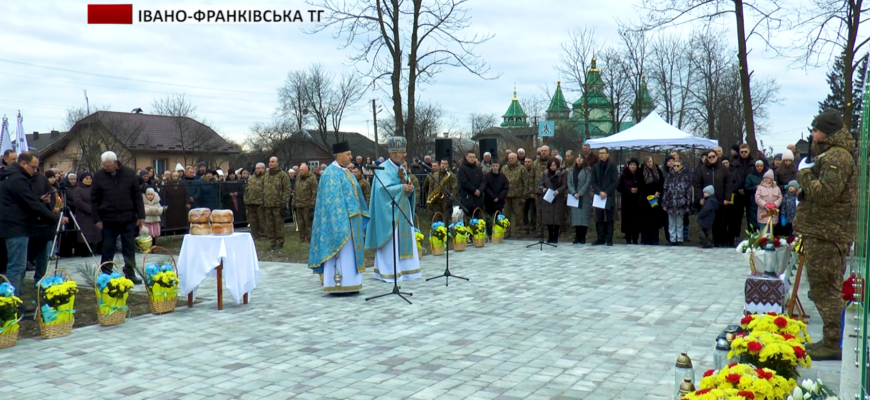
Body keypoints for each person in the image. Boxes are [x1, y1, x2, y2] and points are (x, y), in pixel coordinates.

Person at [794, 109, 856, 360]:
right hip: (823, 231)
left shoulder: (837, 157)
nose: (812, 133)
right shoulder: (830, 153)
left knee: (826, 289)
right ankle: (831, 339)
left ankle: (833, 343)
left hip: (828, 234)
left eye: (815, 129)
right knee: (822, 287)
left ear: (826, 131)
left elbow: (827, 193)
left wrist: (805, 175)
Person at [308, 141, 370, 293]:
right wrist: (342, 220)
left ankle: (351, 282)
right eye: (348, 154)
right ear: (339, 155)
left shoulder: (346, 172)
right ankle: (338, 284)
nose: (351, 157)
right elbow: (332, 203)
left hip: (351, 220)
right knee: (341, 254)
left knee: (349, 255)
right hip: (340, 222)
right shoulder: (330, 173)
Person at [0, 152, 61, 297]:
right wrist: (52, 217)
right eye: (33, 167)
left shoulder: (9, 176)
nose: (35, 171)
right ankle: (12, 303)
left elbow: (23, 200)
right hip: (16, 227)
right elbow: (30, 203)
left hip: (11, 226)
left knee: (16, 266)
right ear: (23, 164)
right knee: (17, 267)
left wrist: (39, 200)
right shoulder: (17, 179)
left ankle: (13, 300)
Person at [365, 136, 421, 283]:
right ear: (392, 154)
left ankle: (407, 270)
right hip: (389, 213)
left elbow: (406, 185)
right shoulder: (382, 168)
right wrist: (402, 188)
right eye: (401, 153)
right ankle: (390, 271)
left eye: (404, 152)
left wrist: (410, 189)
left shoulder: (402, 168)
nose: (404, 155)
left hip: (403, 210)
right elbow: (381, 191)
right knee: (391, 242)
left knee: (405, 239)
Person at [91, 151, 145, 283]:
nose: (105, 168)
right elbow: (94, 199)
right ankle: (106, 274)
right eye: (104, 165)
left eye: (108, 165)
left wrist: (141, 215)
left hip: (128, 217)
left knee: (129, 246)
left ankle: (130, 273)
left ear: (115, 163)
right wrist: (96, 219)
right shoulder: (99, 176)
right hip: (108, 218)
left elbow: (137, 195)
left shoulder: (129, 174)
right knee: (108, 247)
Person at [693, 150, 732, 247]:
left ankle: (719, 241)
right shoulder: (702, 169)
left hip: (721, 200)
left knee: (720, 222)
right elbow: (697, 184)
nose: (711, 158)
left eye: (713, 156)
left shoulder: (723, 168)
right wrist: (700, 198)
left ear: (717, 156)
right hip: (707, 201)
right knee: (708, 222)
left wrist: (727, 198)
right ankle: (708, 241)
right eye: (709, 157)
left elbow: (729, 183)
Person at [590, 148, 618, 246]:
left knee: (609, 218)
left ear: (607, 154)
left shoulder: (612, 166)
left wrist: (606, 192)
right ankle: (600, 238)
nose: (601, 155)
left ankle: (609, 238)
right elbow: (593, 181)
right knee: (599, 217)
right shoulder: (596, 166)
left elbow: (615, 182)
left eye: (603, 153)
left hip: (608, 195)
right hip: (598, 195)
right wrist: (599, 191)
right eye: (600, 153)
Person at [264, 157, 292, 250]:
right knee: (270, 225)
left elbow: (287, 189)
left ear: (277, 163)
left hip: (278, 204)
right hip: (268, 204)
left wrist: (284, 202)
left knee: (278, 225)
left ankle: (279, 242)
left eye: (273, 162)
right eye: (270, 161)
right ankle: (272, 242)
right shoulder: (266, 175)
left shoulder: (282, 175)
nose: (271, 163)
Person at [662, 159, 692, 246]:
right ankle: (672, 239)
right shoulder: (669, 177)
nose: (675, 167)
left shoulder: (685, 178)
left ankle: (679, 239)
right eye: (674, 165)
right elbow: (665, 190)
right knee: (671, 223)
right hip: (670, 203)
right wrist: (664, 203)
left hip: (680, 204)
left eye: (677, 166)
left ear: (681, 166)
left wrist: (687, 205)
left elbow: (688, 192)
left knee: (679, 223)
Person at [638, 156, 665, 245]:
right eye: (648, 162)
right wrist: (650, 194)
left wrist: (657, 193)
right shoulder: (641, 171)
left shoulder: (658, 170)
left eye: (651, 161)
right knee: (645, 221)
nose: (650, 163)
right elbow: (641, 185)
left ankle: (654, 240)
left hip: (656, 200)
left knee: (655, 220)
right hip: (645, 200)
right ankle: (645, 240)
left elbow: (661, 183)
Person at [73, 172, 100, 257]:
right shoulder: (77, 189)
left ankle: (94, 249)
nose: (88, 180)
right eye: (86, 178)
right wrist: (91, 209)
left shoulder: (93, 189)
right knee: (85, 234)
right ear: (82, 179)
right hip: (83, 216)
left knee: (95, 233)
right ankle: (85, 251)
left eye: (90, 178)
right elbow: (78, 202)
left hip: (94, 216)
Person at [539, 158, 566, 244]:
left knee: (557, 218)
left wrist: (559, 190)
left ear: (557, 165)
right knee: (549, 218)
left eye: (554, 165)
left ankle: (555, 237)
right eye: (551, 165)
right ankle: (550, 236)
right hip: (548, 197)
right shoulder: (545, 174)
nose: (552, 167)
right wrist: (542, 189)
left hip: (558, 197)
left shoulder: (562, 174)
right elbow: (540, 184)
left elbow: (565, 185)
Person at [567, 154, 592, 244]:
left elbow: (587, 183)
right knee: (576, 218)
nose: (579, 159)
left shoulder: (587, 170)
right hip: (574, 196)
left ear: (584, 160)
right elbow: (569, 182)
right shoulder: (571, 170)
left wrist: (580, 193)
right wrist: (573, 192)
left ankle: (583, 237)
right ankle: (577, 236)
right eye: (577, 157)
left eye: (581, 158)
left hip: (583, 196)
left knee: (584, 218)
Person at [501, 153, 527, 239]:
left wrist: (524, 196)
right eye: (509, 158)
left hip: (518, 195)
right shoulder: (504, 168)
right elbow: (500, 181)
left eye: (512, 158)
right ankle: (507, 231)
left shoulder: (522, 168)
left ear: (516, 159)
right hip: (506, 195)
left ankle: (519, 232)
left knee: (518, 215)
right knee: (506, 215)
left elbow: (525, 183)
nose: (511, 160)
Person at [617, 158, 641, 244]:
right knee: (627, 220)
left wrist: (637, 189)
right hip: (627, 201)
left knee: (636, 220)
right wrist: (629, 189)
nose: (632, 166)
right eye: (631, 165)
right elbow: (619, 187)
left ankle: (635, 238)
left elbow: (643, 186)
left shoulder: (640, 174)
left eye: (634, 165)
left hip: (637, 201)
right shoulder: (624, 174)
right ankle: (628, 238)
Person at [458, 150, 485, 221]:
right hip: (468, 198)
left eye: (473, 157)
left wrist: (480, 190)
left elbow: (483, 181)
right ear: (466, 157)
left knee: (478, 220)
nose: (472, 159)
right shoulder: (462, 168)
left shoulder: (478, 169)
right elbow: (464, 182)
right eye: (470, 157)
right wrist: (474, 190)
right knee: (469, 220)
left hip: (478, 199)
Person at [294, 163, 318, 244]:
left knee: (308, 223)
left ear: (306, 170)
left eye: (302, 170)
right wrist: (294, 203)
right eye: (300, 170)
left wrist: (312, 205)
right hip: (298, 204)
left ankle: (309, 239)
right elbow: (295, 191)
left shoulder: (312, 178)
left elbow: (314, 192)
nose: (300, 171)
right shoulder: (298, 178)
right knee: (300, 223)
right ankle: (302, 238)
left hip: (307, 205)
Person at [483, 161, 508, 237]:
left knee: (499, 218)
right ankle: (490, 233)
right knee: (489, 219)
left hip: (499, 202)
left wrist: (499, 197)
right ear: (491, 166)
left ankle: (498, 233)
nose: (495, 167)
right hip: (489, 201)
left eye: (496, 166)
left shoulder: (503, 177)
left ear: (499, 166)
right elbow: (486, 188)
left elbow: (505, 187)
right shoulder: (487, 176)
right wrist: (493, 197)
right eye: (493, 166)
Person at [743, 160, 768, 232]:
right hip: (753, 201)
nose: (759, 168)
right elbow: (746, 188)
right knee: (753, 219)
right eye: (757, 166)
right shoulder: (750, 176)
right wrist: (755, 187)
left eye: (761, 166)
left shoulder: (766, 176)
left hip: (765, 200)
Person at [243, 163, 266, 240]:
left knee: (262, 220)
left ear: (263, 169)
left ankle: (263, 236)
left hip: (261, 202)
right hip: (250, 202)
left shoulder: (266, 178)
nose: (257, 170)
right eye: (256, 168)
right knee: (252, 221)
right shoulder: (251, 178)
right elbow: (247, 189)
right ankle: (255, 236)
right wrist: (246, 199)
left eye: (259, 168)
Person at [522, 157, 536, 234]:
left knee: (533, 211)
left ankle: (532, 227)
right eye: (525, 162)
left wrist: (533, 192)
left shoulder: (534, 170)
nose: (527, 163)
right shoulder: (522, 170)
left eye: (528, 162)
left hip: (532, 195)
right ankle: (525, 227)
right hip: (524, 194)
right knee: (524, 211)